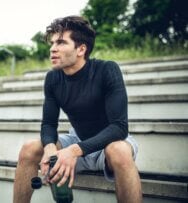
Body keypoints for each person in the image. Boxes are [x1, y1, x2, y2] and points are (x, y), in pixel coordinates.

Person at [13, 15, 142, 203]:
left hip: (109, 143)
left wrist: (73, 151)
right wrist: (50, 148)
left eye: (61, 42)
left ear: (81, 49)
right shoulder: (53, 78)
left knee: (119, 151)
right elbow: (49, 123)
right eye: (52, 43)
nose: (52, 49)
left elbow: (119, 128)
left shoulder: (107, 70)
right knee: (30, 148)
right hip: (77, 138)